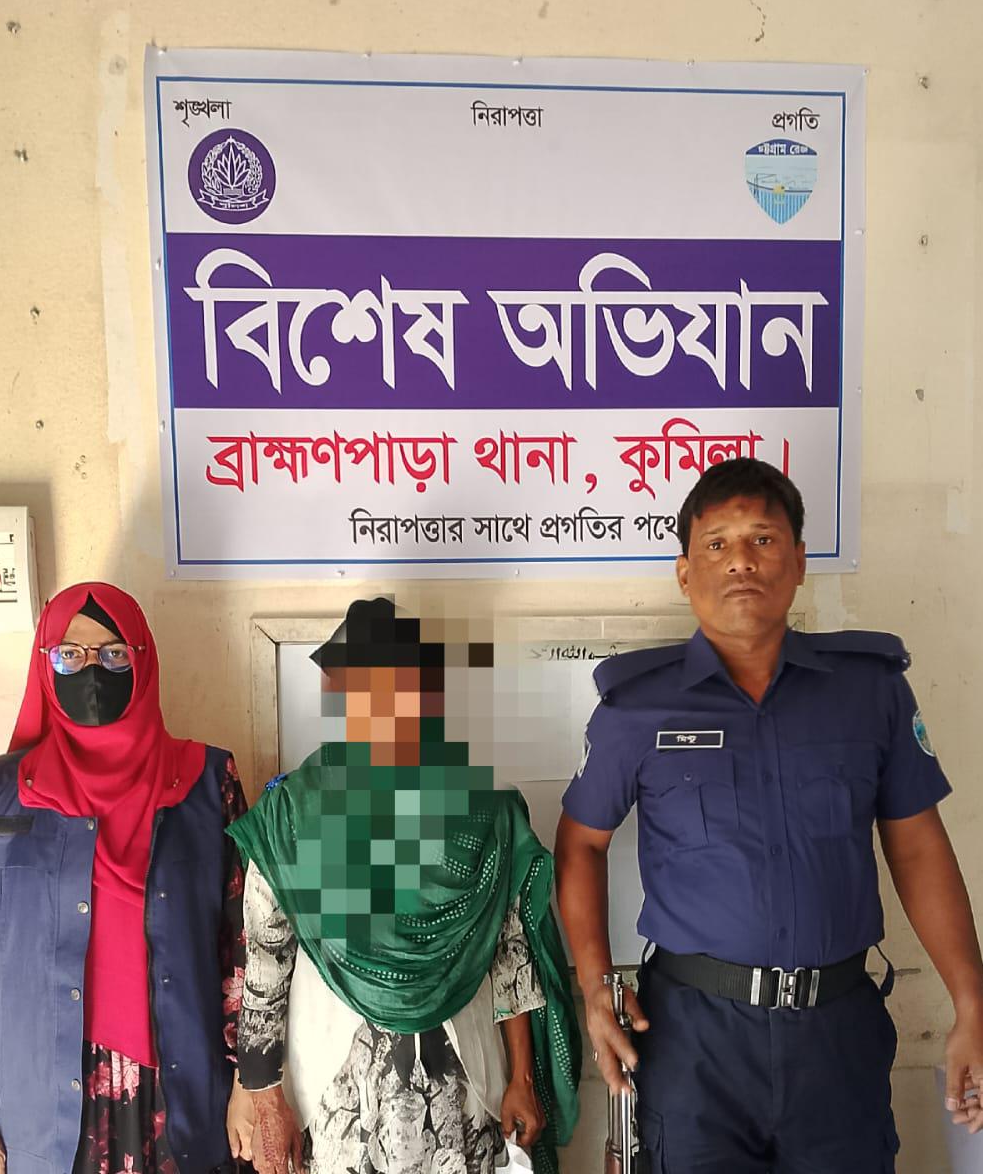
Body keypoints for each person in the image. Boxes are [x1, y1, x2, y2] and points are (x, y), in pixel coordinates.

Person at [555, 458, 983, 1172]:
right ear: (685, 573)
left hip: (836, 1035)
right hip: (694, 1042)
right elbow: (580, 845)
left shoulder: (870, 692)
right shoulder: (636, 708)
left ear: (799, 562)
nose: (740, 562)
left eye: (763, 539)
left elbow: (917, 847)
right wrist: (596, 990)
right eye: (716, 544)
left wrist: (971, 1003)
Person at [228, 598, 581, 1174]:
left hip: (465, 1089)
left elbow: (510, 954)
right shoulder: (292, 814)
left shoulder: (483, 812)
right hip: (338, 1094)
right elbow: (266, 964)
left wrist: (521, 1076)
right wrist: (265, 1097)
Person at [0, 582, 256, 1174]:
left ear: (142, 660)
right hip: (46, 1105)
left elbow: (243, 942)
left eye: (113, 654)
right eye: (70, 655)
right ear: (44, 664)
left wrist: (250, 1080)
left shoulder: (209, 784)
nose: (92, 671)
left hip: (179, 1095)